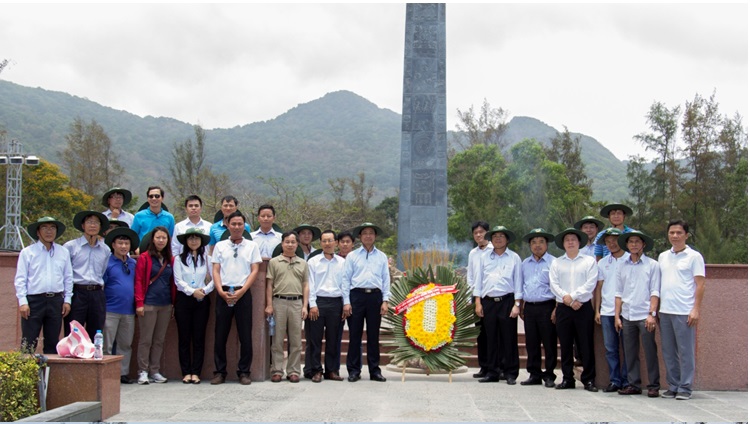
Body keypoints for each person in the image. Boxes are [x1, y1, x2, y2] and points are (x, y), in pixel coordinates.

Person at [211, 211, 262, 385]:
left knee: (245, 334)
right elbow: (216, 270)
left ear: (244, 226)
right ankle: (219, 371)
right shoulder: (220, 246)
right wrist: (219, 290)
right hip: (224, 292)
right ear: (227, 224)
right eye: (233, 224)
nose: (237, 227)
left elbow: (255, 270)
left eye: (240, 224)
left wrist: (242, 291)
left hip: (243, 292)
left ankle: (244, 372)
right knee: (220, 334)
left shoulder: (252, 246)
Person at [658, 219, 705, 401]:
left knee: (686, 351)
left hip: (684, 311)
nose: (675, 236)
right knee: (668, 351)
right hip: (665, 310)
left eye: (679, 233)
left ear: (686, 235)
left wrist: (696, 309)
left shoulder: (694, 257)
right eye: (672, 233)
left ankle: (685, 387)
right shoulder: (663, 256)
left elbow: (700, 285)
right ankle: (673, 385)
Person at [549, 228, 598, 392]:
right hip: (564, 308)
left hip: (583, 307)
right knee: (565, 344)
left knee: (585, 344)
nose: (570, 242)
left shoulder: (589, 261)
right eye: (567, 239)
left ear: (579, 242)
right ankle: (567, 378)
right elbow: (554, 285)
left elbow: (591, 283)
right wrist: (568, 300)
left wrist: (574, 297)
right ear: (563, 244)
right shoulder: (557, 262)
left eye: (573, 239)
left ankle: (589, 379)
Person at [14, 217, 73, 353]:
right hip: (34, 301)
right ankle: (27, 374)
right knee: (29, 342)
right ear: (38, 232)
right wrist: (23, 302)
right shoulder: (28, 252)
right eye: (45, 228)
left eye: (52, 228)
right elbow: (20, 279)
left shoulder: (63, 252)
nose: (49, 231)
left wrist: (67, 300)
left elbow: (68, 278)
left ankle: (49, 374)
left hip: (56, 300)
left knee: (53, 342)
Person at [473, 225, 522, 385]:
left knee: (509, 338)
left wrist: (517, 304)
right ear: (491, 239)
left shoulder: (514, 258)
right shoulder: (484, 258)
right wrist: (478, 302)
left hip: (507, 301)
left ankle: (510, 373)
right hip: (488, 302)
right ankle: (492, 371)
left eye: (502, 236)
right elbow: (478, 281)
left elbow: (518, 283)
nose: (498, 239)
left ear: (507, 239)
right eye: (495, 236)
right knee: (490, 338)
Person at [614, 230, 661, 397]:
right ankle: (633, 384)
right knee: (630, 352)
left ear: (643, 244)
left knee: (649, 351)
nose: (633, 244)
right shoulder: (622, 265)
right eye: (630, 242)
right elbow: (619, 292)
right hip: (627, 314)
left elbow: (655, 291)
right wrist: (617, 316)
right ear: (626, 245)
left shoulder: (652, 265)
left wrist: (652, 314)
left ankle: (653, 385)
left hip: (644, 315)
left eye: (637, 241)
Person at [342, 222, 390, 382]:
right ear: (360, 237)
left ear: (375, 236)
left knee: (373, 335)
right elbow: (345, 280)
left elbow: (386, 279)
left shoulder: (382, 256)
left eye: (371, 233)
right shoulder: (352, 256)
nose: (368, 235)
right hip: (356, 296)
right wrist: (346, 302)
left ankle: (375, 370)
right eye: (365, 233)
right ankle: (354, 370)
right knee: (355, 335)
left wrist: (385, 300)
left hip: (375, 297)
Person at [266, 231, 309, 383]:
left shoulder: (303, 263)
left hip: (297, 303)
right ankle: (277, 370)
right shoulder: (274, 262)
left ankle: (293, 371)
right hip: (279, 302)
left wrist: (305, 306)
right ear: (282, 244)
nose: (290, 244)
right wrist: (269, 305)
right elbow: (269, 284)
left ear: (297, 244)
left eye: (293, 242)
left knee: (296, 339)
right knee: (277, 339)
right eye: (287, 242)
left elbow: (305, 285)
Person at [134, 226, 175, 385]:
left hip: (165, 304)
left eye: (164, 238)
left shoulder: (170, 259)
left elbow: (172, 283)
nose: (161, 240)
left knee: (159, 339)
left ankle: (155, 370)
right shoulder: (144, 258)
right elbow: (138, 281)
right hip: (148, 303)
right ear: (153, 239)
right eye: (158, 237)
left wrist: (173, 303)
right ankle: (142, 371)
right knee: (146, 339)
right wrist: (139, 303)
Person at [303, 230, 345, 382]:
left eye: (330, 240)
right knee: (315, 339)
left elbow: (345, 285)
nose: (327, 244)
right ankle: (316, 370)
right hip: (317, 303)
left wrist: (345, 304)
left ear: (336, 243)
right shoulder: (313, 262)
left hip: (336, 303)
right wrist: (312, 305)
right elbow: (310, 284)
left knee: (333, 338)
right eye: (324, 241)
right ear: (320, 243)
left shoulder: (342, 263)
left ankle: (332, 370)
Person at [174, 228, 214, 385]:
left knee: (199, 337)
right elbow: (178, 281)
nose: (193, 241)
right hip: (184, 299)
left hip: (202, 299)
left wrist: (203, 291)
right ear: (185, 241)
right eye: (190, 238)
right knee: (184, 337)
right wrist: (192, 292)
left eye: (196, 238)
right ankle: (186, 372)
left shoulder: (208, 259)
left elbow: (214, 279)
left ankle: (196, 372)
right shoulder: (178, 259)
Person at [519, 228, 557, 388]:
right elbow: (520, 285)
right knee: (531, 342)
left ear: (546, 244)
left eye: (541, 242)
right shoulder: (524, 264)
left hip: (547, 306)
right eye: (534, 242)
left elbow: (558, 287)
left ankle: (549, 375)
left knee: (549, 342)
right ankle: (534, 374)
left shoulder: (554, 262)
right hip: (530, 308)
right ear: (530, 245)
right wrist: (520, 305)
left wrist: (556, 308)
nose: (537, 245)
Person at [64, 210, 110, 337]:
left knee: (96, 332)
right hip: (77, 293)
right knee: (73, 333)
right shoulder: (71, 246)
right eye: (89, 222)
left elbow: (103, 271)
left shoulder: (105, 249)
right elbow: (65, 273)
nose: (93, 225)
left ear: (100, 227)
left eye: (96, 222)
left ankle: (93, 356)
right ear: (83, 225)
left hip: (97, 294)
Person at [593, 227, 628, 393]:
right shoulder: (602, 262)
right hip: (606, 311)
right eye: (608, 241)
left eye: (614, 240)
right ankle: (615, 380)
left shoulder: (630, 259)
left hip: (627, 311)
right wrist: (597, 310)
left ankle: (628, 380)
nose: (612, 243)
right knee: (610, 348)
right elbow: (599, 287)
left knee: (628, 347)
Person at [102, 227, 138, 384]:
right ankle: (106, 373)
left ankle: (123, 373)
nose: (123, 246)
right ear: (113, 245)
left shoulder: (133, 263)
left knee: (125, 343)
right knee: (106, 344)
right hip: (110, 309)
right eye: (120, 243)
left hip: (129, 310)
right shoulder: (107, 263)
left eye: (126, 243)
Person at [466, 221, 493, 379]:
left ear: (487, 233)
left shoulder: (493, 251)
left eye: (481, 232)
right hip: (476, 296)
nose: (478, 235)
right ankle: (484, 366)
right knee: (480, 333)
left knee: (492, 333)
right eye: (475, 233)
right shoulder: (473, 253)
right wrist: (472, 296)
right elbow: (470, 276)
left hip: (489, 296)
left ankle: (494, 366)